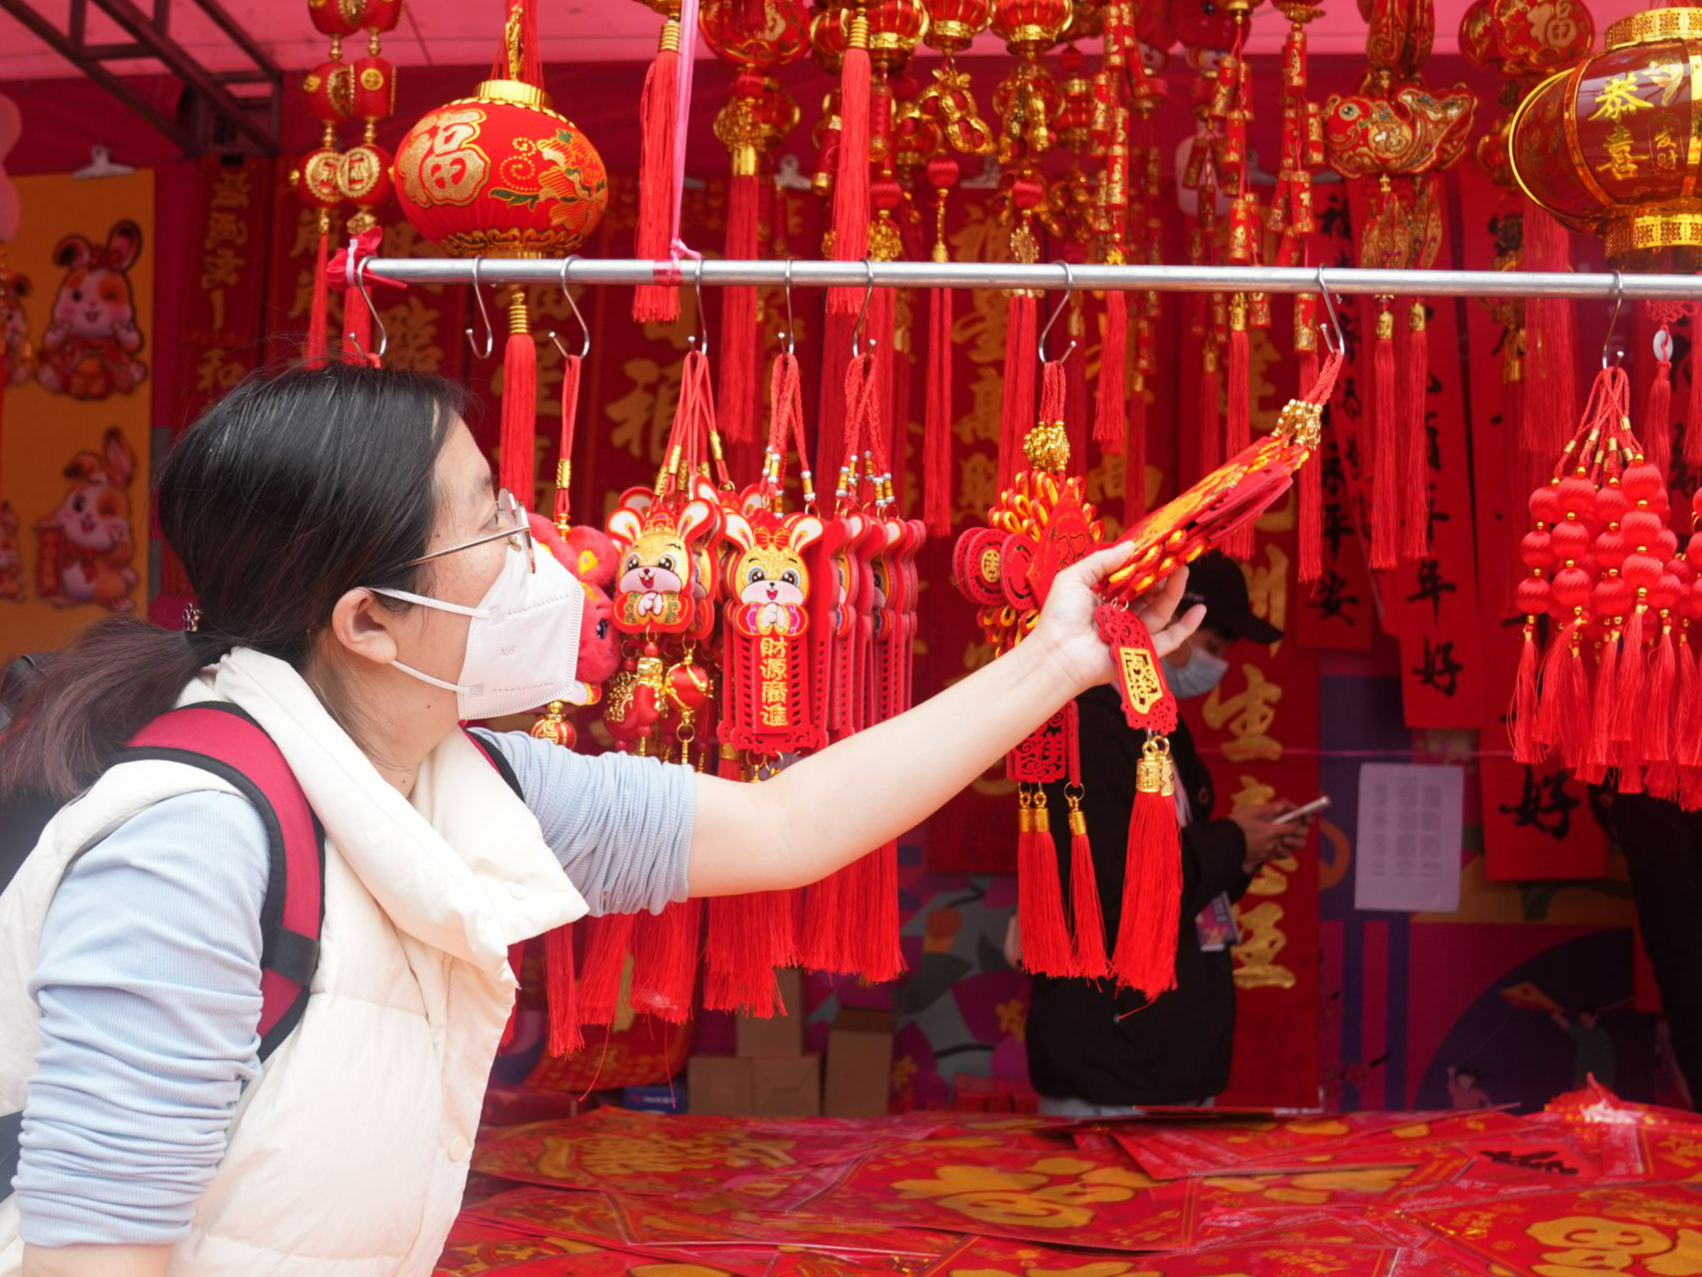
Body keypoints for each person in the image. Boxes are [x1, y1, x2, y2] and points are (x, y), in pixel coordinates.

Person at [0, 362, 1202, 1277]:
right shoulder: (195, 844)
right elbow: (94, 1247)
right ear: (368, 621)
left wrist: (1057, 657)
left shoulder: (467, 780)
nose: (534, 545)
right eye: (488, 520)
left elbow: (788, 826)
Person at [1022, 553, 1309, 1116]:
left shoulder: (1161, 726)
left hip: (1169, 1053)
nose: (1218, 666)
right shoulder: (1088, 724)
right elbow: (1112, 885)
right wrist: (1232, 842)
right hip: (1112, 1064)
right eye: (1215, 646)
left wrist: (1247, 850)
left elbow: (1181, 879)